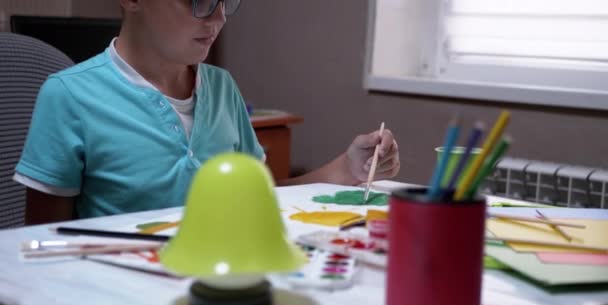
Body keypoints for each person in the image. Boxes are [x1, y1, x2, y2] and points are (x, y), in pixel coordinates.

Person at [14, 0, 400, 225]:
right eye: (198, 0)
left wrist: (344, 170)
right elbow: (41, 242)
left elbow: (261, 195)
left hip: (216, 282)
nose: (219, 19)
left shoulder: (221, 87)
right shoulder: (69, 95)